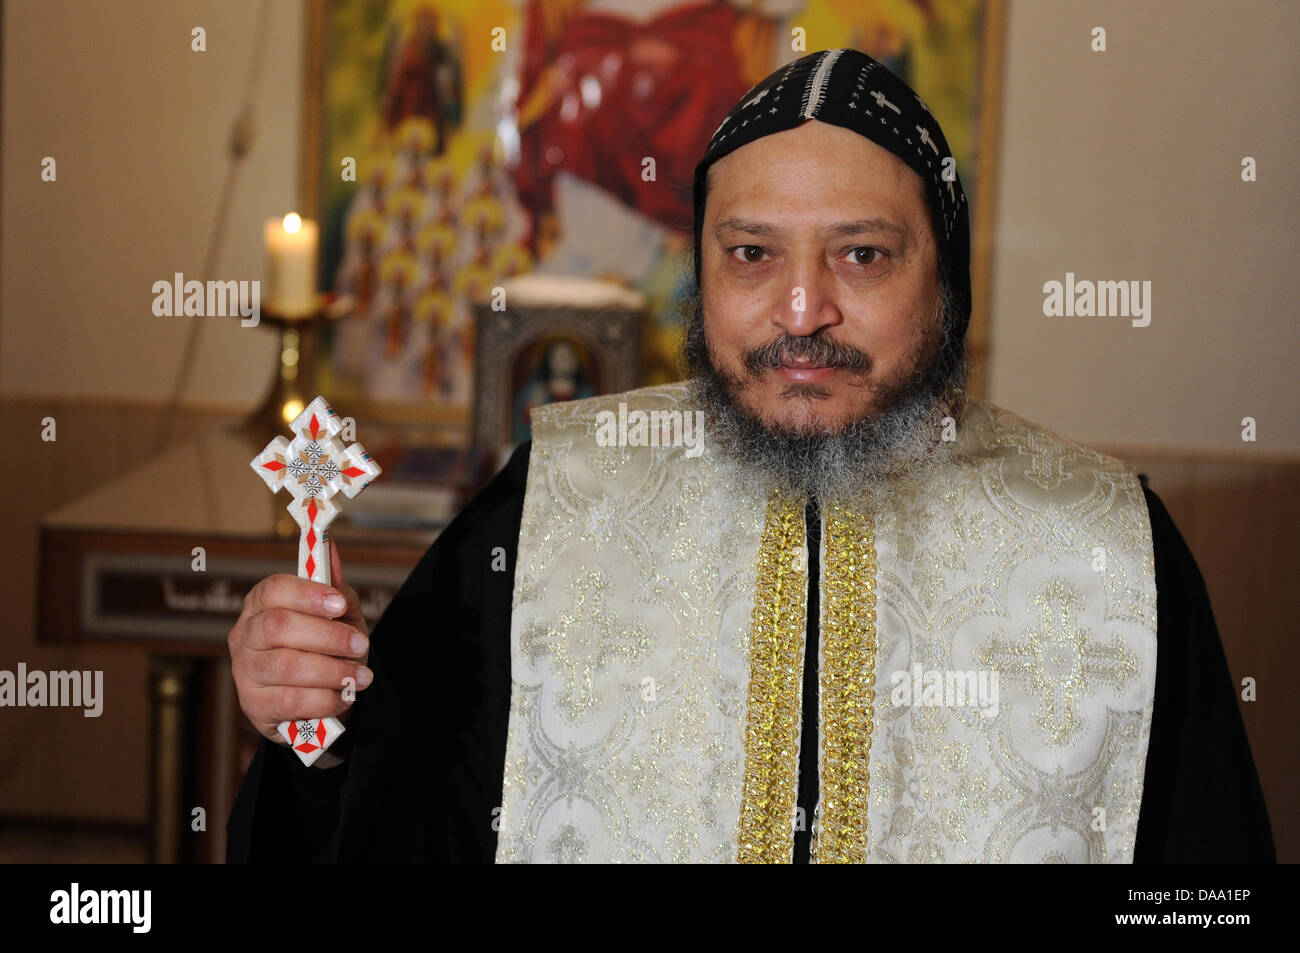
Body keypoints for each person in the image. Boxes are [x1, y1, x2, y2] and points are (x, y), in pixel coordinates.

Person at [227, 49, 1273, 863]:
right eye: (751, 253)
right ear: (702, 274)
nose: (803, 308)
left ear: (942, 280)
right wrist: (319, 716)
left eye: (861, 253)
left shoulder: (1107, 548)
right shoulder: (557, 503)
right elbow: (400, 826)